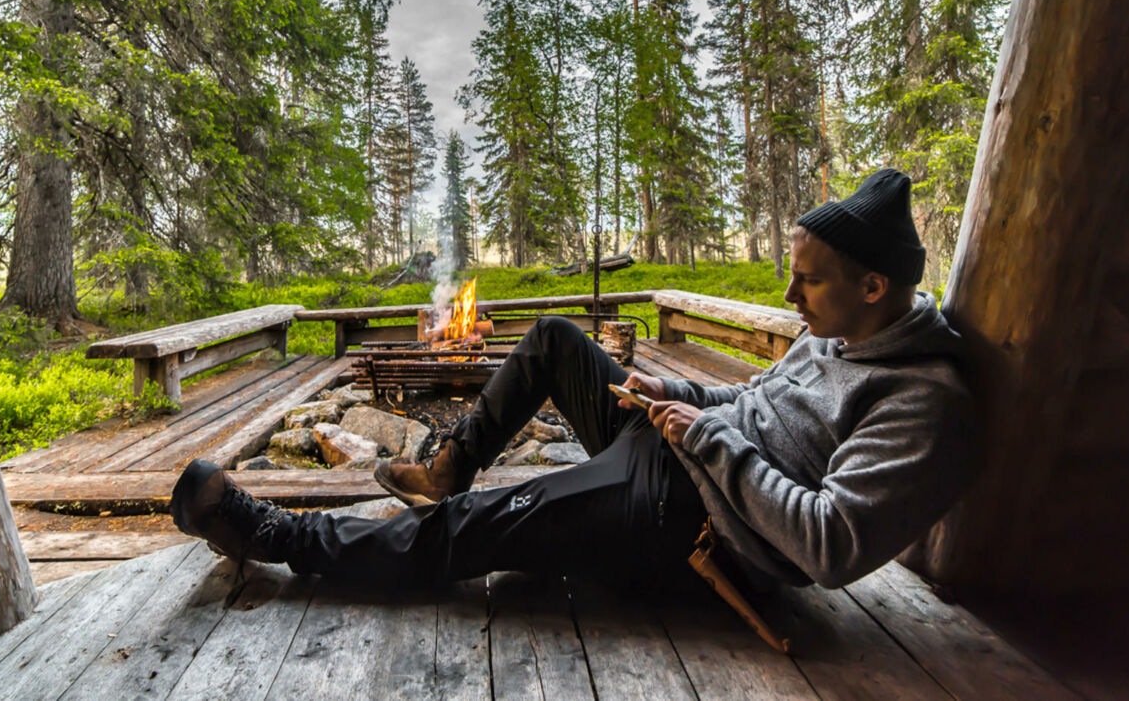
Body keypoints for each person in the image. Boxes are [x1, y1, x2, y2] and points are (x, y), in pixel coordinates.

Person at [169, 168, 976, 593]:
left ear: (874, 287)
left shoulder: (921, 402)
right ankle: (451, 463)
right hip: (685, 454)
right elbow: (749, 402)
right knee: (555, 337)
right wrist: (681, 397)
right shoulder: (839, 332)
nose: (789, 298)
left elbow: (831, 547)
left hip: (699, 523)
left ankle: (275, 538)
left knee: (475, 531)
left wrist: (711, 441)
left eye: (809, 281)